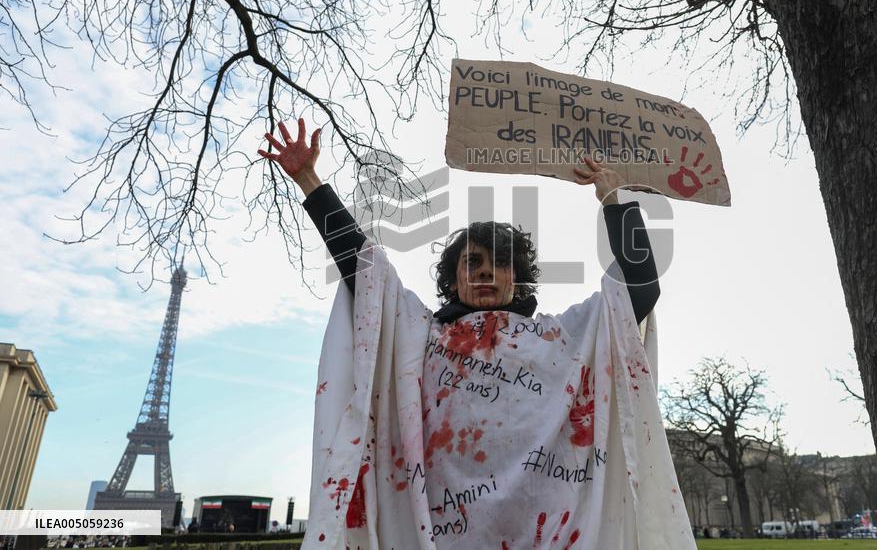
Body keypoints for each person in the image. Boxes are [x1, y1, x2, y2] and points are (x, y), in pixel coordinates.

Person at [258, 119, 695, 549]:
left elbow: (637, 288)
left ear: (516, 278)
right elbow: (365, 271)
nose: (486, 270)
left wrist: (614, 200)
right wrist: (310, 181)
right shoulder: (420, 338)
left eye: (500, 263)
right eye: (473, 262)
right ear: (454, 280)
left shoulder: (562, 339)